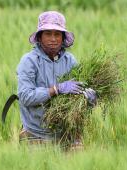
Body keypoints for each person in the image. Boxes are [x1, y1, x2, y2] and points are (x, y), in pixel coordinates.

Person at [15, 11, 96, 148]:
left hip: (66, 134)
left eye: (57, 34)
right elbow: (25, 96)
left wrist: (89, 100)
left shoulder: (70, 61)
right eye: (48, 33)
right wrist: (55, 89)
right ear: (40, 37)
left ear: (63, 38)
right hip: (35, 134)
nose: (53, 39)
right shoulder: (29, 61)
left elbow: (76, 96)